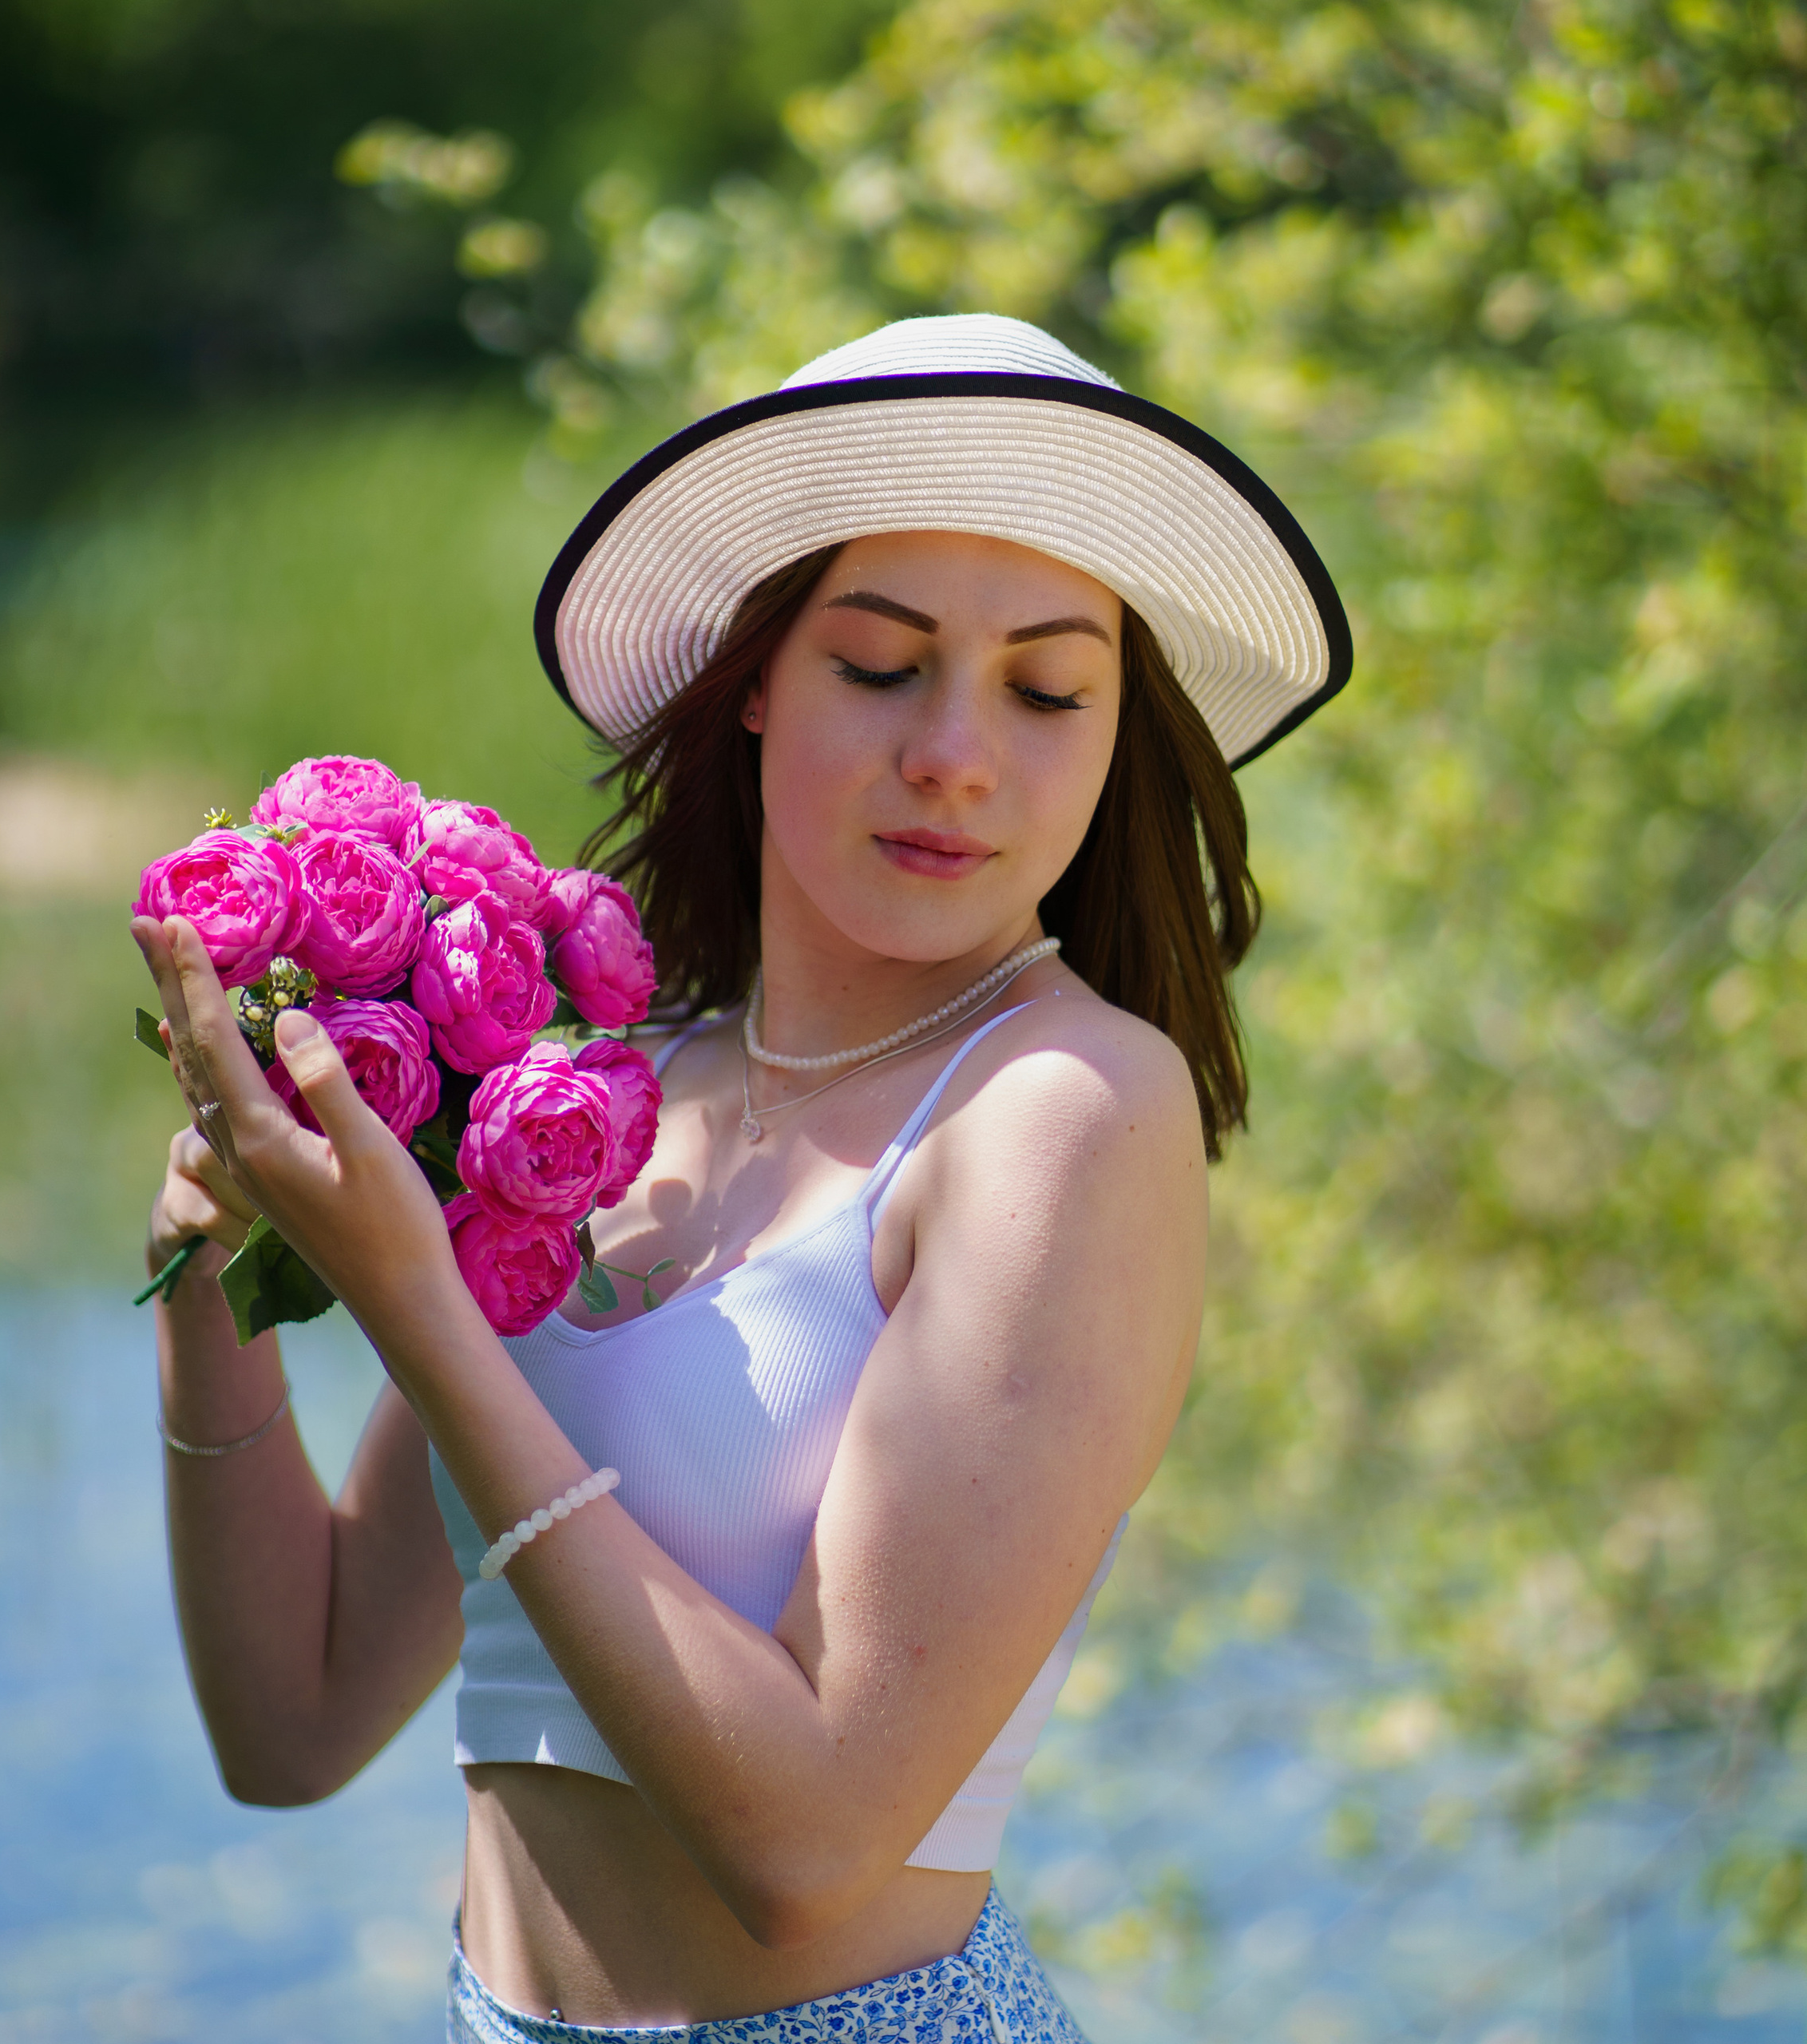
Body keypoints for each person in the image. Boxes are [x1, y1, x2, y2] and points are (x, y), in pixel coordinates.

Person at [131, 315, 1349, 2040]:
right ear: (756, 676)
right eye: (878, 664)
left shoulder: (1061, 1112)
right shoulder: (603, 1098)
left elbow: (814, 1843)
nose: (953, 749)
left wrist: (416, 1302)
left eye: (1045, 686)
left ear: (1111, 729)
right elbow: (295, 1719)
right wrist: (210, 1260)